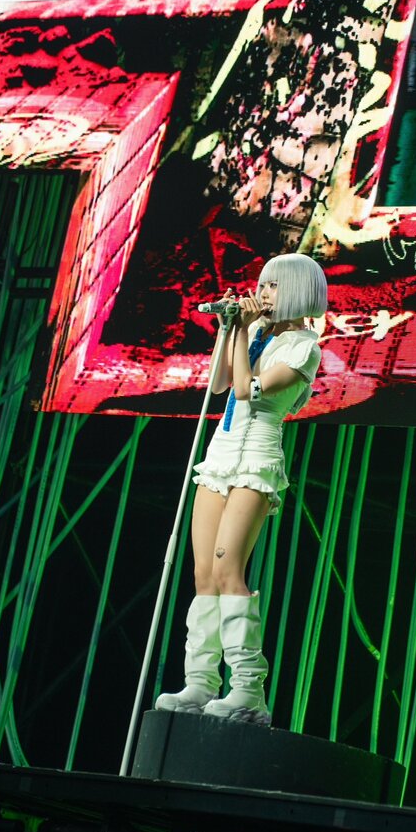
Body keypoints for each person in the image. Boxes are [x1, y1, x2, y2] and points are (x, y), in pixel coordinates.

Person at [155, 252, 327, 725]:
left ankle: (248, 690)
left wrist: (243, 332)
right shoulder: (255, 334)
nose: (262, 292)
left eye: (272, 285)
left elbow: (247, 390)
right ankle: (200, 682)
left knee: (228, 568)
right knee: (203, 574)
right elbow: (218, 385)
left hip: (256, 456)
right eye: (263, 284)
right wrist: (229, 330)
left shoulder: (303, 348)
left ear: (297, 291)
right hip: (222, 451)